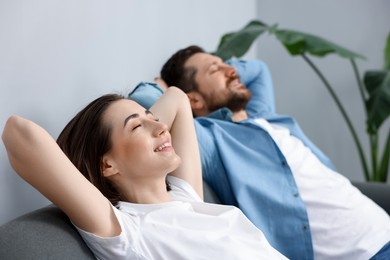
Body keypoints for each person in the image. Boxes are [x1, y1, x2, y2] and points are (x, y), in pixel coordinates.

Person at [128, 45, 390, 260]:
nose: (232, 70)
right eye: (215, 69)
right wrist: (160, 87)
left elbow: (259, 70)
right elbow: (145, 102)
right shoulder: (211, 138)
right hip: (364, 254)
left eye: (226, 64)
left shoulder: (263, 116)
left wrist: (224, 69)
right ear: (193, 100)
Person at [2, 87, 288, 259]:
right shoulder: (127, 232)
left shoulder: (184, 196)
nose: (161, 127)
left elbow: (177, 98)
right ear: (107, 165)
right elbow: (18, 133)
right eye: (137, 127)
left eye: (154, 119)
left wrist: (142, 124)